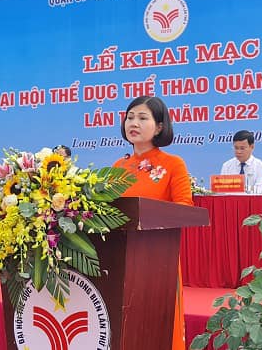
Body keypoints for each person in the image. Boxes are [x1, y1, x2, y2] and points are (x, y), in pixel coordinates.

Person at [113, 96, 192, 350]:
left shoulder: (173, 164)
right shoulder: (118, 166)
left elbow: (184, 208)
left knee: (157, 331)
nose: (133, 123)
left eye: (142, 118)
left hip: (158, 260)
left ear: (159, 127)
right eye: (130, 117)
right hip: (120, 258)